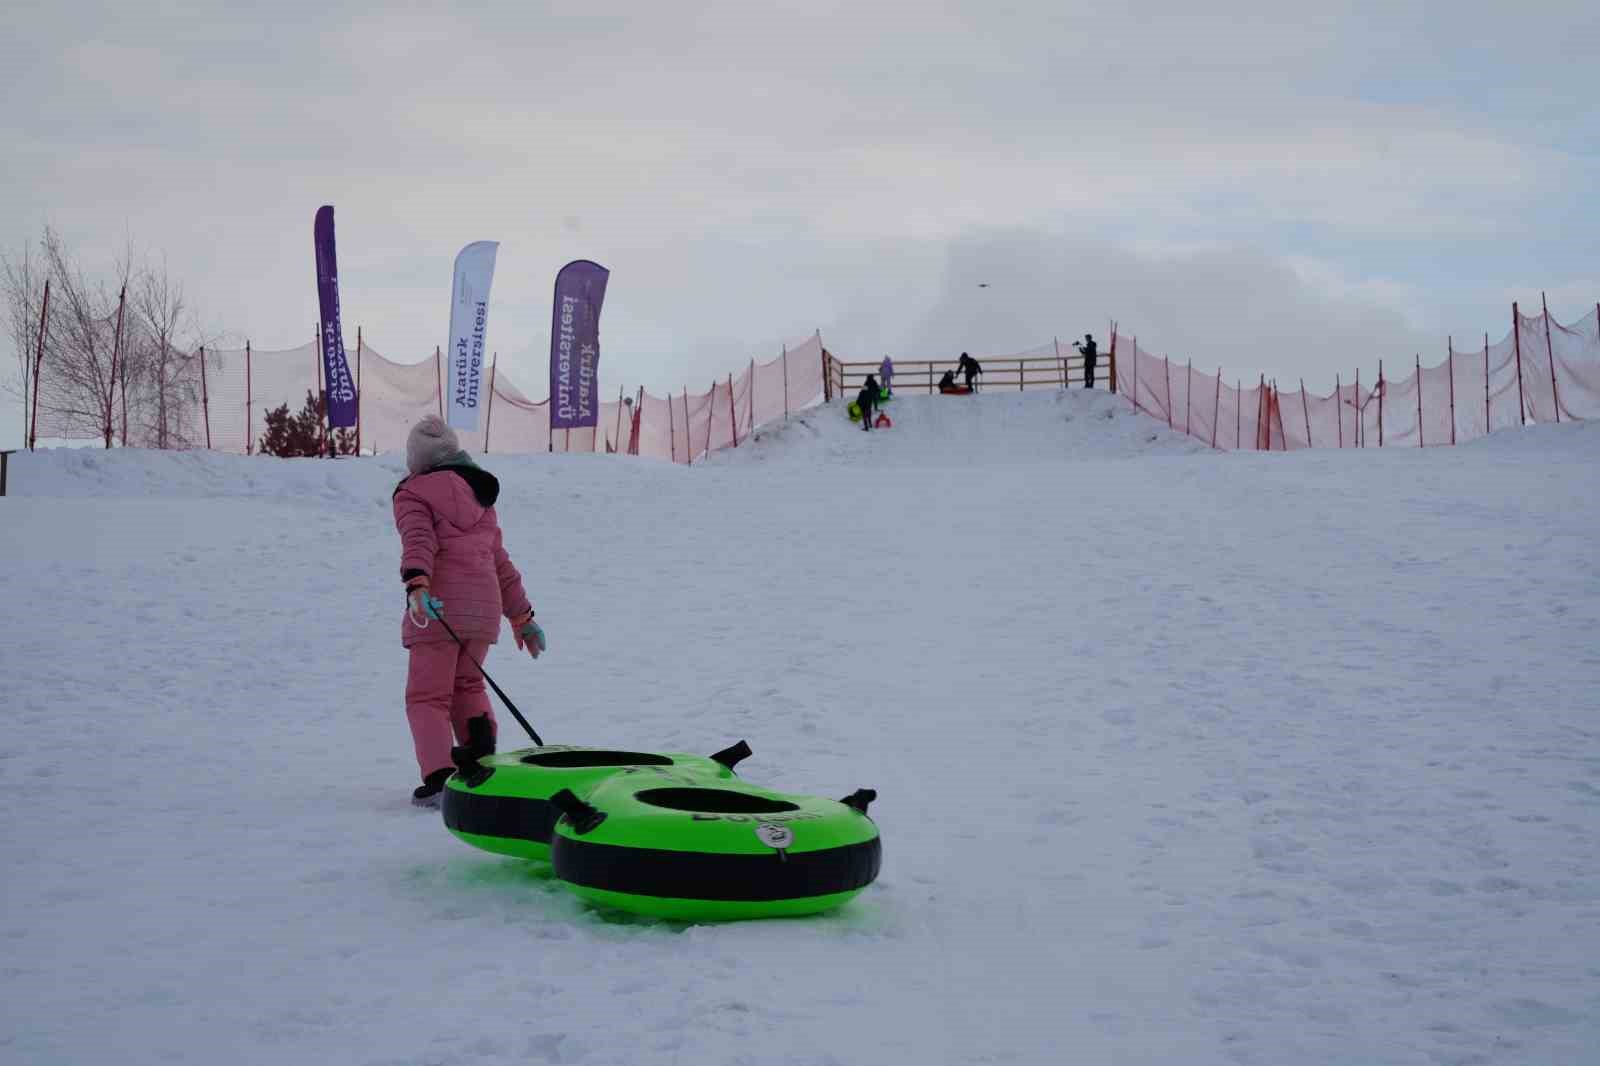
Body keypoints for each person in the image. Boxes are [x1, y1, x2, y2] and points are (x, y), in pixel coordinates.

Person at [393, 415, 545, 807]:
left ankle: (441, 777)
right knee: (468, 686)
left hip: (438, 608)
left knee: (428, 696)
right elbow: (501, 564)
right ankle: (483, 767)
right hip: (483, 612)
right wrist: (523, 617)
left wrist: (417, 584)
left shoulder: (413, 492)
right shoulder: (480, 497)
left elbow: (418, 541)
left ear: (418, 460)